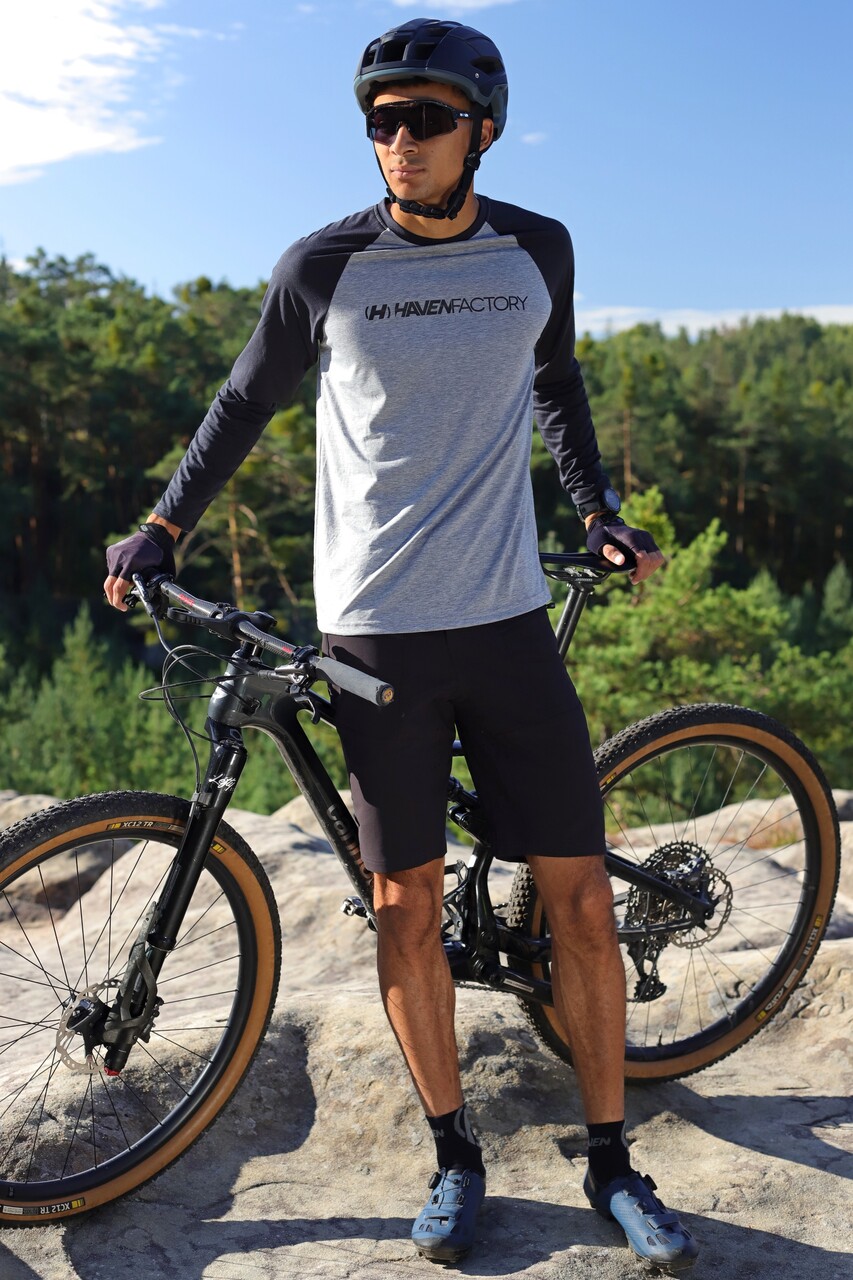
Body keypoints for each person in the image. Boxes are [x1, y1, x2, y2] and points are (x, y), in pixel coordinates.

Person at [105, 17, 698, 1271]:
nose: (399, 141)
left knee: (580, 898)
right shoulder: (322, 265)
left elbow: (555, 378)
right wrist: (160, 526)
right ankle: (453, 1153)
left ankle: (610, 1158)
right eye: (380, 121)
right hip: (375, 634)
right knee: (403, 903)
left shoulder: (538, 247)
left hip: (506, 618)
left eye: (425, 119)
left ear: (482, 128)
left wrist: (594, 508)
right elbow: (242, 402)